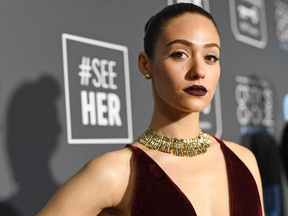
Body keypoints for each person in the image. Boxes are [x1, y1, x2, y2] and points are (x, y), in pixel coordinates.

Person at [37, 3, 264, 215]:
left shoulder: (244, 160)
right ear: (146, 64)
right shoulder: (119, 172)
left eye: (211, 57)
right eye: (179, 54)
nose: (199, 70)